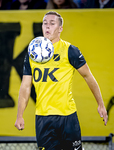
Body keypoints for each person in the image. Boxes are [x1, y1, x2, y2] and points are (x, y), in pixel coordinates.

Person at [14, 11, 108, 150]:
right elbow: (26, 86)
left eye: (52, 23)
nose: (47, 27)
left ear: (60, 28)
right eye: (45, 23)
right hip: (43, 118)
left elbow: (88, 76)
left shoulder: (70, 50)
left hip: (67, 117)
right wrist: (19, 115)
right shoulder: (32, 53)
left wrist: (100, 104)